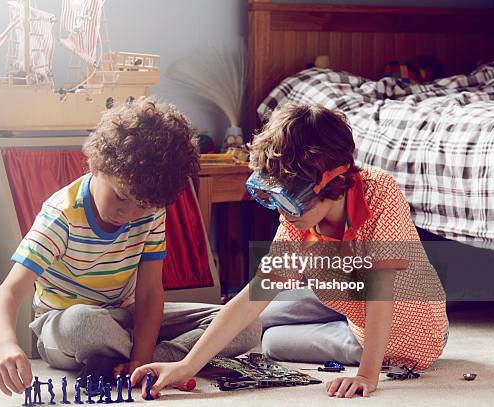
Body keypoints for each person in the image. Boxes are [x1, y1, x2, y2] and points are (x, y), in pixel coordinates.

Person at [131, 103, 448, 399]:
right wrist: (187, 366)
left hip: (407, 334)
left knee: (272, 342)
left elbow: (381, 294)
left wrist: (367, 375)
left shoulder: (380, 194)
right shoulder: (300, 215)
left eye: (290, 199)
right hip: (347, 300)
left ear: (332, 182)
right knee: (260, 314)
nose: (283, 213)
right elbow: (255, 294)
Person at [0, 97, 261, 397]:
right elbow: (9, 291)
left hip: (127, 316)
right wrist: (5, 344)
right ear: (95, 165)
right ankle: (157, 357)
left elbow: (149, 293)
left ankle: (149, 362)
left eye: (143, 207)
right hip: (64, 326)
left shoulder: (153, 210)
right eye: (120, 197)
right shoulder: (62, 215)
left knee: (248, 326)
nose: (129, 214)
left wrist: (142, 356)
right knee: (82, 325)